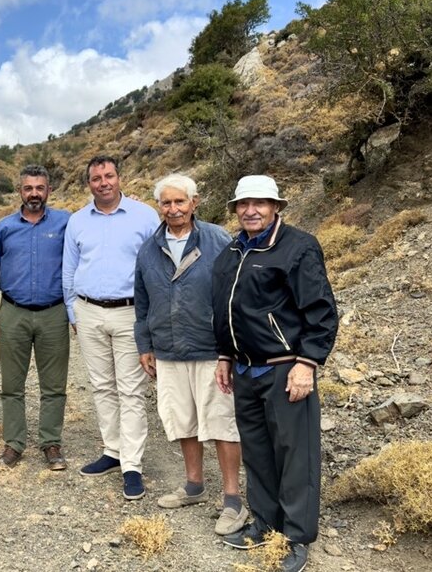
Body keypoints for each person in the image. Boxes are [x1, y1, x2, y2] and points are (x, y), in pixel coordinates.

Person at [211, 175, 338, 572]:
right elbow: (226, 309)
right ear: (235, 209)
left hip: (285, 369)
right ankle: (265, 524)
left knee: (295, 455)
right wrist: (225, 355)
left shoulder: (298, 247)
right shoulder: (233, 250)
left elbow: (321, 311)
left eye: (260, 203)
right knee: (258, 453)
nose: (251, 211)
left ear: (276, 206)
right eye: (243, 204)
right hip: (244, 369)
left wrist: (307, 363)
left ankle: (297, 537)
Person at [132, 173, 246, 535]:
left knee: (222, 423)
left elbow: (236, 293)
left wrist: (231, 347)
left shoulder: (218, 239)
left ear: (194, 202)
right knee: (183, 420)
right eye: (166, 202)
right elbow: (141, 302)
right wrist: (145, 345)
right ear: (159, 207)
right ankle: (194, 485)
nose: (173, 208)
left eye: (180, 201)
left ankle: (233, 499)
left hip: (212, 349)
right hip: (168, 349)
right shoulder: (149, 249)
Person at [62, 155, 159, 500]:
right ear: (88, 183)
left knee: (131, 390)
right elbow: (69, 269)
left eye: (109, 176)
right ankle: (112, 451)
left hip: (130, 313)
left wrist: (150, 318)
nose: (103, 183)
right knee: (102, 386)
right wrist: (73, 312)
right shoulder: (77, 221)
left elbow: (157, 268)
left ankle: (132, 465)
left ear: (120, 178)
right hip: (88, 311)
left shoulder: (145, 216)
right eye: (96, 178)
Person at [0, 165, 70, 471]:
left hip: (54, 313)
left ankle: (51, 443)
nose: (34, 193)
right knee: (12, 385)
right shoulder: (4, 228)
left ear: (49, 190)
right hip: (13, 313)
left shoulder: (66, 223)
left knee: (54, 385)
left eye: (40, 188)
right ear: (20, 191)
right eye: (28, 188)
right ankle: (14, 444)